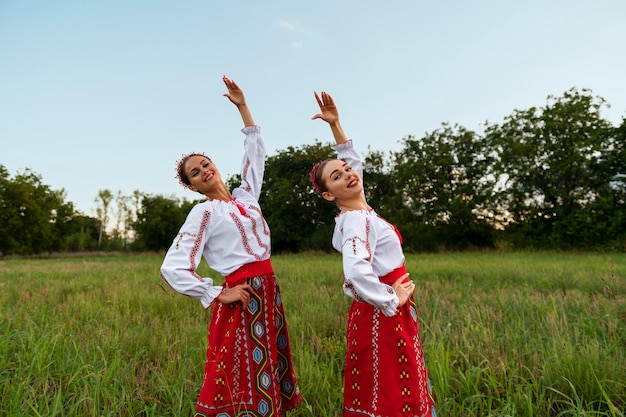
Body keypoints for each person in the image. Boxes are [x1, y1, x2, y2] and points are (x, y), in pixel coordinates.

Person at [160, 76, 302, 417]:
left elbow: (256, 154)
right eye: (195, 173)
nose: (204, 171)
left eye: (205, 164)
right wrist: (216, 293)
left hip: (268, 289)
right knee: (237, 371)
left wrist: (242, 106)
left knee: (267, 360)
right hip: (242, 295)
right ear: (193, 186)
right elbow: (173, 266)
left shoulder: (246, 197)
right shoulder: (204, 212)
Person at [309, 91, 436, 417]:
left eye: (347, 170)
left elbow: (353, 162)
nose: (349, 175)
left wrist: (336, 125)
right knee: (392, 392)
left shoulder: (362, 212)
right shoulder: (355, 222)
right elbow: (355, 271)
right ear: (327, 195)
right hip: (383, 314)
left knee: (390, 386)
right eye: (336, 177)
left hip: (384, 312)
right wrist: (391, 298)